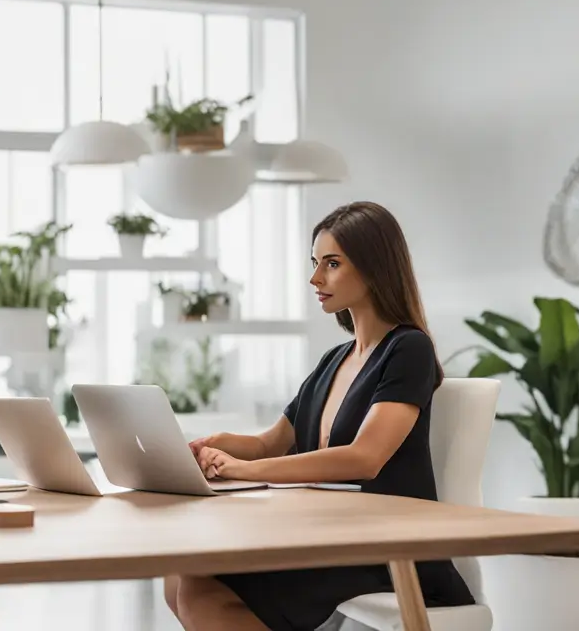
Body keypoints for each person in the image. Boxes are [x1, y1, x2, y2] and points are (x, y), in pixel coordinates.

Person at [164, 201, 475, 631]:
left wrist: (249, 469)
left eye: (332, 264)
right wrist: (216, 444)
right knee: (180, 576)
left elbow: (364, 458)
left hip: (387, 548)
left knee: (201, 589)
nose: (315, 278)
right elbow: (269, 442)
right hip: (331, 534)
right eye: (315, 263)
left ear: (374, 269)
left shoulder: (408, 349)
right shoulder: (334, 360)